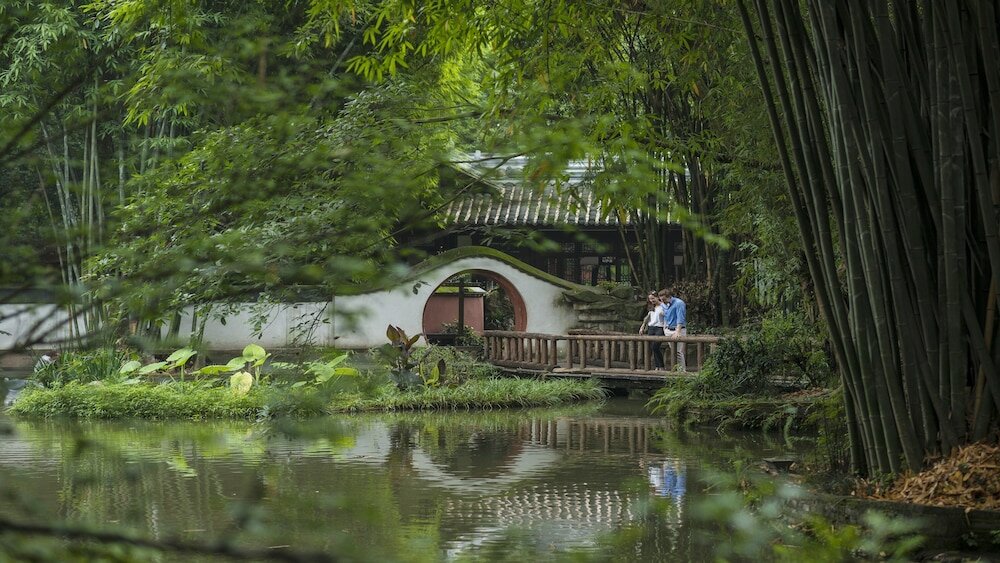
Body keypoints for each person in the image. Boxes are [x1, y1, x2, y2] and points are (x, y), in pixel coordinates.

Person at [658, 289, 687, 371]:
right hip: (668, 329)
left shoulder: (679, 303)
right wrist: (664, 328)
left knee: (678, 352)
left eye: (664, 299)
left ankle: (682, 371)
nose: (662, 301)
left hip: (678, 329)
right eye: (661, 300)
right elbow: (665, 316)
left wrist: (678, 331)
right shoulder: (664, 304)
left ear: (669, 297)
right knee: (673, 351)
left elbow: (680, 317)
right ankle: (677, 369)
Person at [638, 291, 665, 369]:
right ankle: (658, 366)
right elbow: (647, 318)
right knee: (653, 347)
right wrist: (642, 327)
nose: (652, 300)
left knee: (655, 346)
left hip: (660, 327)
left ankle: (660, 365)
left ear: (657, 297)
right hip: (651, 327)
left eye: (653, 298)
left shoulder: (663, 306)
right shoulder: (651, 307)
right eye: (650, 299)